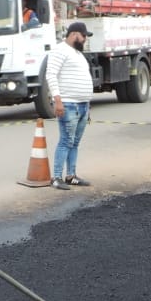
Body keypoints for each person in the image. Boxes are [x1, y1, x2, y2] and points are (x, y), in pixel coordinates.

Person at [47, 21, 94, 190]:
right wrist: (57, 101)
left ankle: (71, 176)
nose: (85, 40)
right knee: (66, 141)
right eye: (84, 37)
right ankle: (57, 177)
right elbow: (51, 75)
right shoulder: (59, 50)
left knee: (75, 143)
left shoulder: (78, 54)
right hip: (68, 104)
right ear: (75, 34)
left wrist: (87, 105)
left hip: (82, 105)